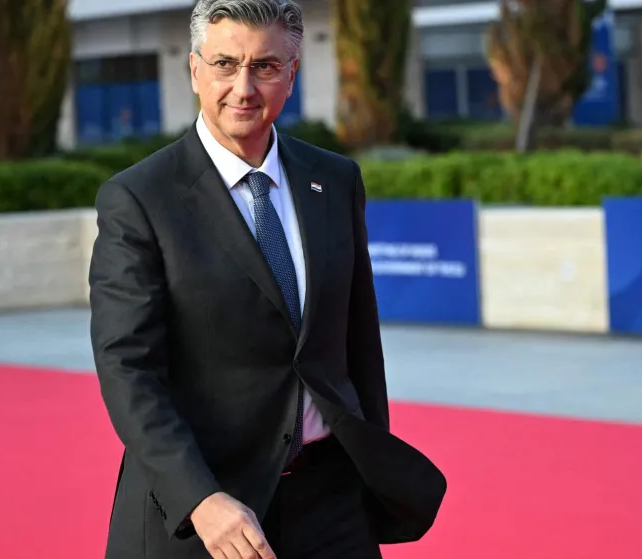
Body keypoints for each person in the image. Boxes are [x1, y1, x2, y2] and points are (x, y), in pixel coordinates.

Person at [87, 1, 447, 558]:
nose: (244, 87)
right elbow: (128, 370)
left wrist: (372, 463)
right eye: (226, 64)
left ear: (293, 73)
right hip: (209, 511)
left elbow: (357, 343)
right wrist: (201, 499)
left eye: (266, 67)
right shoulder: (140, 199)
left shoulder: (335, 179)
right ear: (194, 70)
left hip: (331, 501)